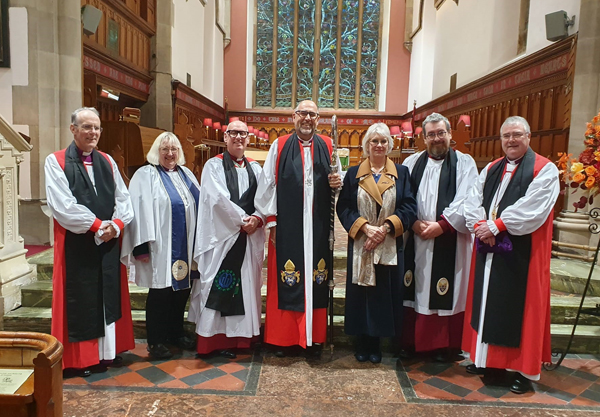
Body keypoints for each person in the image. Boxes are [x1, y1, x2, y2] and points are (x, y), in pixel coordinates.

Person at [462, 116, 559, 394]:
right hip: (489, 249)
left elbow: (534, 208)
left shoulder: (545, 169)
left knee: (520, 307)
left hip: (521, 253)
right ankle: (487, 361)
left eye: (517, 134)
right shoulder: (493, 167)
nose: (511, 140)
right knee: (487, 302)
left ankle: (520, 370)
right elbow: (473, 198)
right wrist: (481, 225)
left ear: (529, 136)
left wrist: (497, 225)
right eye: (506, 136)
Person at [45, 107, 134, 378]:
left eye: (96, 128)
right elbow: (62, 206)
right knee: (81, 296)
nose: (92, 132)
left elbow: (124, 199)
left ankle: (107, 353)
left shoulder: (107, 161)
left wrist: (117, 225)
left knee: (106, 293)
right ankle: (82, 359)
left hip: (107, 242)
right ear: (73, 129)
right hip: (78, 244)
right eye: (86, 127)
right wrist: (97, 226)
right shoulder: (56, 161)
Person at [255, 99, 342, 358]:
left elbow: (338, 181)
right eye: (302, 113)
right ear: (293, 117)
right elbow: (267, 184)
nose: (307, 118)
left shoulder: (328, 145)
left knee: (317, 276)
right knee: (288, 277)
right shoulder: (279, 145)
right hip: (288, 225)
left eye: (312, 115)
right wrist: (271, 220)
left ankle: (313, 338)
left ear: (318, 119)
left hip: (316, 227)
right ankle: (284, 339)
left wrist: (338, 181)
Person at [336, 123, 417, 363]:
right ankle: (362, 341)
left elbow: (410, 206)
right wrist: (365, 228)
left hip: (389, 243)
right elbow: (344, 208)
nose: (379, 145)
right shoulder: (353, 174)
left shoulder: (401, 173)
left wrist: (386, 228)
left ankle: (378, 343)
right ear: (366, 146)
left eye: (383, 141)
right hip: (362, 243)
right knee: (362, 294)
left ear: (390, 146)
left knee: (383, 293)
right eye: (374, 141)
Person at [401, 113, 477, 361]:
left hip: (450, 238)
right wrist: (412, 222)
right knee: (415, 286)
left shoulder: (465, 163)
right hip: (416, 237)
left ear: (450, 135)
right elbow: (402, 197)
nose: (436, 138)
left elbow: (468, 199)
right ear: (423, 138)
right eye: (431, 134)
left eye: (441, 133)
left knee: (448, 289)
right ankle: (411, 341)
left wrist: (443, 225)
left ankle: (445, 345)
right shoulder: (411, 163)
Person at [188, 121, 265, 358]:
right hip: (224, 238)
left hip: (248, 238)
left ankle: (243, 339)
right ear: (225, 138)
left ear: (248, 139)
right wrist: (245, 220)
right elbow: (216, 199)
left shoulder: (256, 168)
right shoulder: (213, 166)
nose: (239, 137)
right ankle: (215, 340)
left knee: (247, 286)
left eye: (243, 133)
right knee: (219, 285)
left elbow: (265, 197)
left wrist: (259, 218)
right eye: (234, 133)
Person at [121, 132, 199, 359]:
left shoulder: (186, 174)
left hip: (186, 245)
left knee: (182, 291)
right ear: (157, 151)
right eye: (165, 149)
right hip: (160, 247)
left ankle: (176, 333)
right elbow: (137, 211)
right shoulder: (145, 175)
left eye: (174, 149)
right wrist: (141, 247)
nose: (170, 153)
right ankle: (156, 340)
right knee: (160, 292)